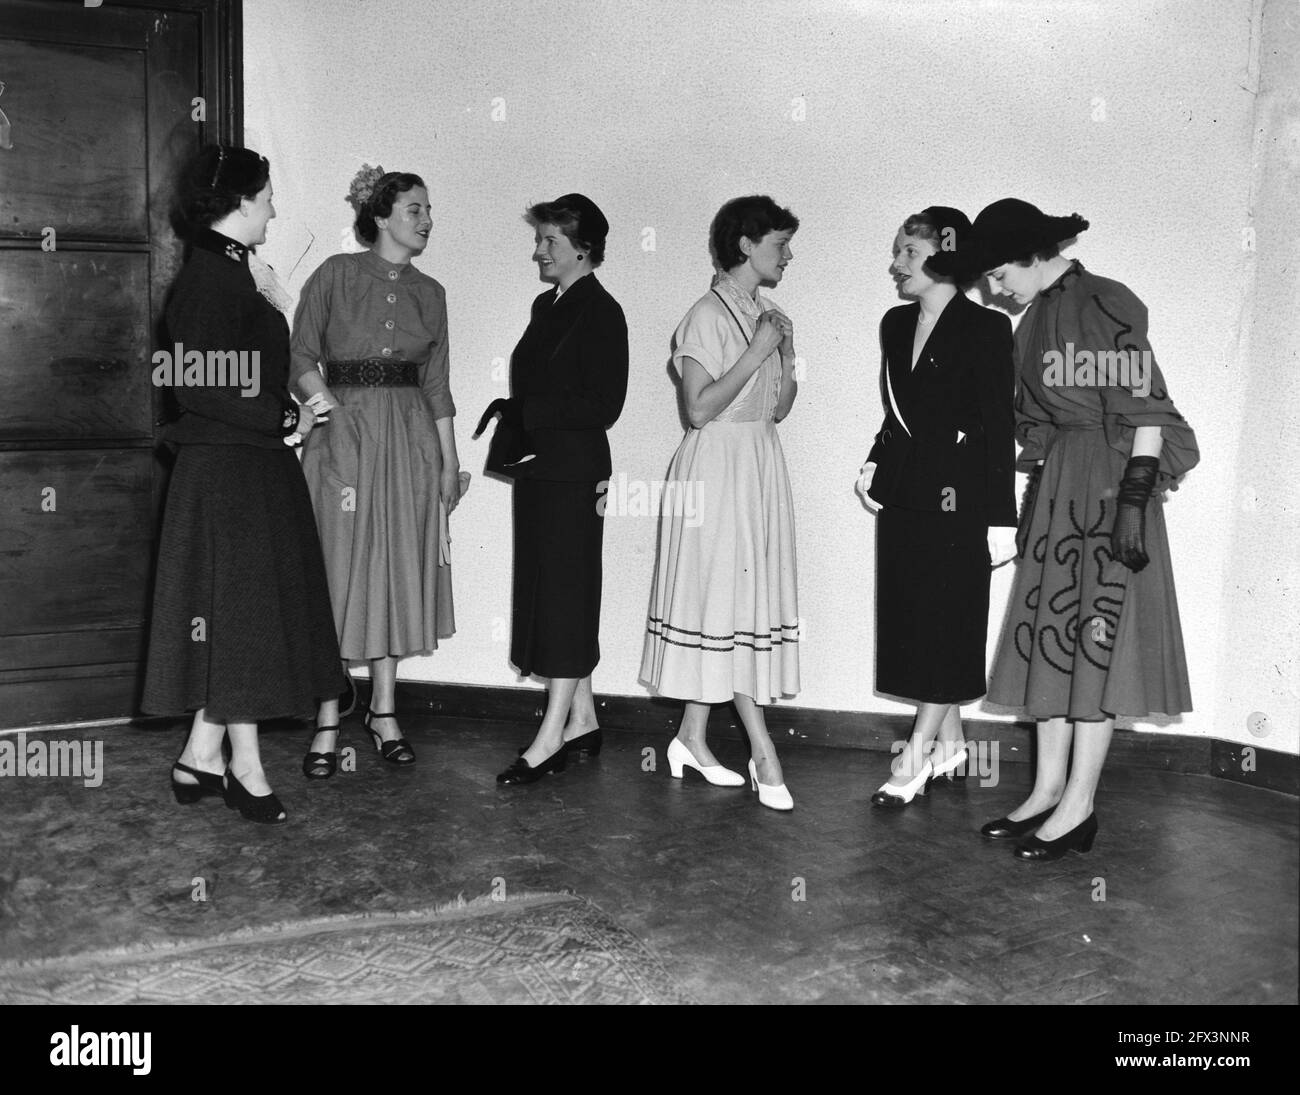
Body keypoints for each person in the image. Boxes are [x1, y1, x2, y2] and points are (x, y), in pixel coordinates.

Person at [929, 198, 1199, 859]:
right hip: (1060, 487)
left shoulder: (1105, 303)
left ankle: (1080, 806)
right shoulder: (1034, 319)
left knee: (1095, 645)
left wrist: (1134, 500)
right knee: (1047, 640)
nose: (994, 288)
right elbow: (1031, 421)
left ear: (1029, 254)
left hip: (1111, 489)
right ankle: (1046, 789)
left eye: (996, 273)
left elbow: (1148, 412)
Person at [143, 144, 344, 824]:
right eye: (265, 198)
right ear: (239, 204)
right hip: (229, 468)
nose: (274, 209)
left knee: (244, 618)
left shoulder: (234, 273)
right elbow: (197, 383)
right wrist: (286, 414)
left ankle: (202, 753)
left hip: (248, 465)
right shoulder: (207, 280)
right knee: (241, 621)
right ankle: (244, 766)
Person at [289, 165, 468, 776]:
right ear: (382, 215)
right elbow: (301, 358)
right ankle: (329, 715)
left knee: (395, 569)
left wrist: (449, 463)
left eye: (427, 210)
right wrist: (331, 413)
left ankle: (385, 710)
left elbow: (438, 387)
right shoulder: (335, 275)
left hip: (411, 444)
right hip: (342, 443)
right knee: (338, 571)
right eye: (415, 209)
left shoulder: (433, 293)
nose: (426, 221)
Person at [640, 195, 801, 811]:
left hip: (757, 463)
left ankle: (690, 738)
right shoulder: (705, 313)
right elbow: (699, 409)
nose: (787, 256)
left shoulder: (767, 312)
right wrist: (759, 351)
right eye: (779, 245)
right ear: (745, 246)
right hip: (715, 467)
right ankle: (764, 753)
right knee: (724, 604)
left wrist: (783, 353)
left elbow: (778, 408)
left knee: (730, 604)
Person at [856, 206, 1017, 807]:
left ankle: (916, 754)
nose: (896, 265)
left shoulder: (986, 330)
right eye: (898, 252)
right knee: (914, 623)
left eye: (909, 254)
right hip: (905, 492)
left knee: (947, 624)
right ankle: (951, 746)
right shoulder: (894, 324)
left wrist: (1004, 516)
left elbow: (999, 431)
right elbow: (897, 411)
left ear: (944, 260)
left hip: (962, 501)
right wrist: (875, 460)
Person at [475, 194, 628, 785]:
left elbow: (603, 404)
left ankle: (550, 736)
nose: (538, 251)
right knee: (552, 590)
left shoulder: (602, 312)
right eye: (539, 240)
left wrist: (528, 414)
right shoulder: (548, 304)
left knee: (565, 595)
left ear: (583, 248)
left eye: (550, 242)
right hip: (542, 469)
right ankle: (583, 716)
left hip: (573, 473)